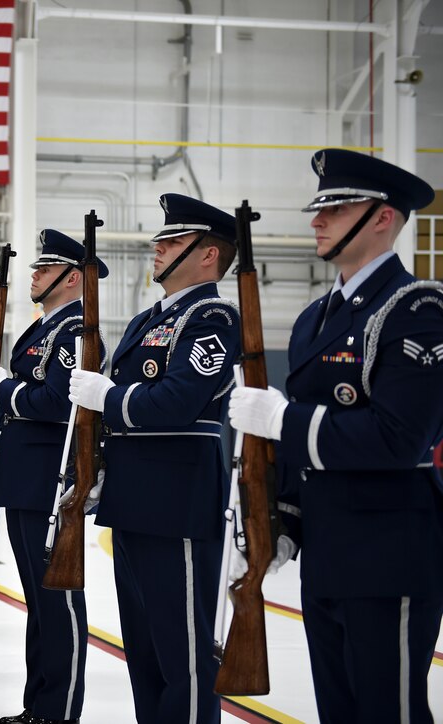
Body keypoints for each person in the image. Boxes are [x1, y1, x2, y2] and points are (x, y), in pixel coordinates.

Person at [228, 150, 443, 723]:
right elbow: (303, 457)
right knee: (338, 711)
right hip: (326, 553)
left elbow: (399, 439)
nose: (317, 220)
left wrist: (283, 421)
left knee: (388, 711)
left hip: (389, 552)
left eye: (337, 208)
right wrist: (281, 525)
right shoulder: (314, 318)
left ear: (383, 218)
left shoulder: (416, 309)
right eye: (318, 209)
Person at [69, 197, 240, 724]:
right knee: (144, 653)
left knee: (184, 652)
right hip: (132, 500)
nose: (158, 247)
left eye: (173, 240)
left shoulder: (212, 317)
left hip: (177, 503)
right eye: (161, 239)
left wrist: (108, 397)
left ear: (208, 254)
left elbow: (177, 401)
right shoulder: (149, 319)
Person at [0, 230, 107, 724]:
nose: (34, 276)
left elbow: (55, 403)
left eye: (45, 269)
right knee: (37, 598)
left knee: (57, 600)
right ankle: (39, 704)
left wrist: (3, 387)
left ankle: (60, 709)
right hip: (25, 476)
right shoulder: (46, 327)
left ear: (71, 278)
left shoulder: (76, 331)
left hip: (51, 480)